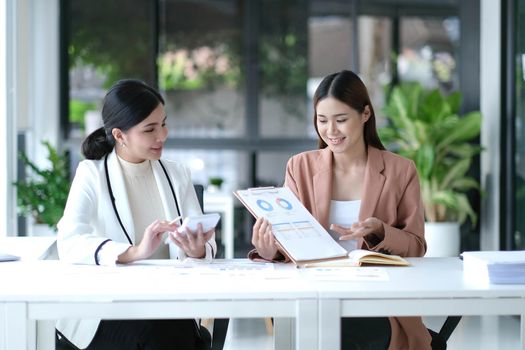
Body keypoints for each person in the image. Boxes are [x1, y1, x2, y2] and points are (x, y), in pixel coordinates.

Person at [250, 70, 432, 349]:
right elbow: (287, 242)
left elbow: (417, 246)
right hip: (314, 294)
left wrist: (382, 231)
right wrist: (269, 251)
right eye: (322, 120)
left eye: (341, 120)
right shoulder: (300, 167)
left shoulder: (400, 170)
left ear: (366, 114)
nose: (330, 131)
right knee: (319, 323)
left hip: (377, 301)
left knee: (342, 327)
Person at [56, 79, 216, 350]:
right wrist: (134, 252)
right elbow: (69, 241)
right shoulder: (92, 175)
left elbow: (205, 246)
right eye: (150, 129)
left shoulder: (177, 174)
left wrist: (198, 250)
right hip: (109, 310)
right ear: (119, 135)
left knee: (166, 327)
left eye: (163, 124)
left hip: (169, 306)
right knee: (158, 331)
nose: (162, 135)